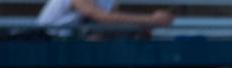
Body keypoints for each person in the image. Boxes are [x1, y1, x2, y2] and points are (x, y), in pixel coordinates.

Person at [36, 0, 173, 34]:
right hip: (46, 42)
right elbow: (101, 17)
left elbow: (115, 21)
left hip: (76, 43)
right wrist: (152, 20)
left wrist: (145, 27)